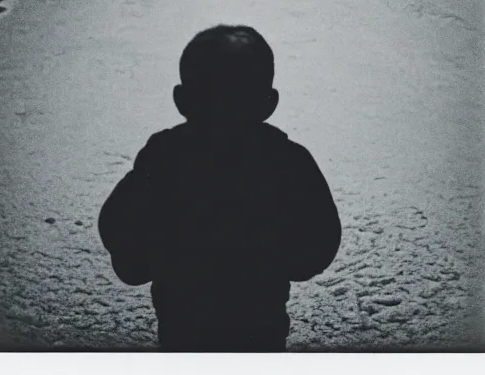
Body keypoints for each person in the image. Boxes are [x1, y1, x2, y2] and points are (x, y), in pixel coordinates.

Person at [98, 25, 341, 352]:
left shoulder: (164, 157)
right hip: (260, 325)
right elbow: (320, 239)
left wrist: (149, 257)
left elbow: (119, 225)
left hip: (182, 325)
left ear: (182, 101)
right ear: (269, 103)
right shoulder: (287, 159)